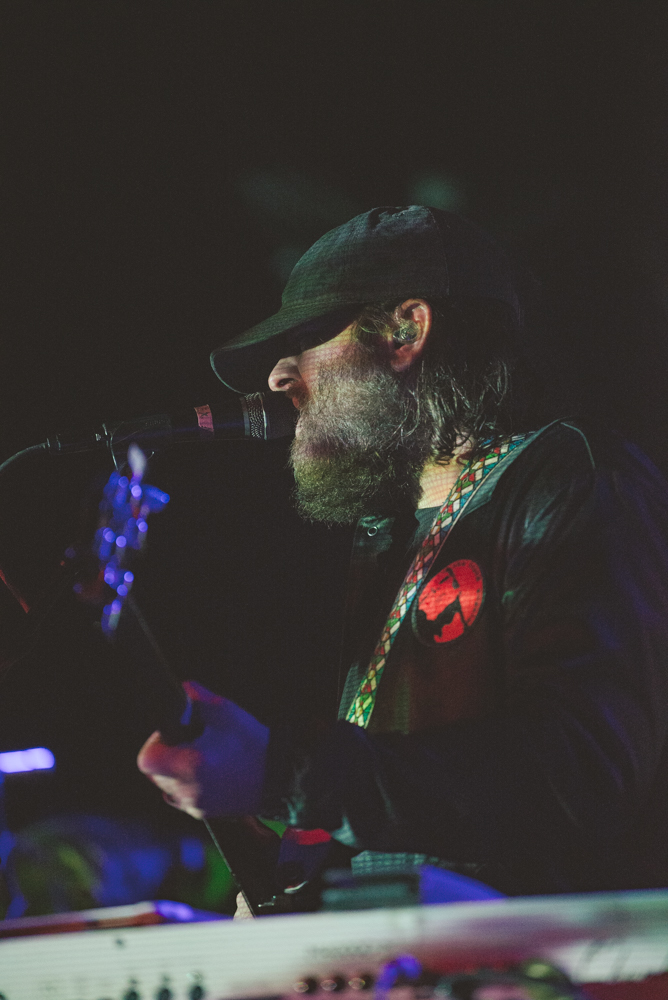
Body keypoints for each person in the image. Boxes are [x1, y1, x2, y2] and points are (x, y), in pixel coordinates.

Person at [137, 206, 668, 900]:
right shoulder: (391, 529)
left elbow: (581, 768)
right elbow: (418, 801)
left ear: (405, 330)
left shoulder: (574, 477)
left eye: (306, 339)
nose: (276, 376)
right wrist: (308, 864)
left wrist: (289, 775)